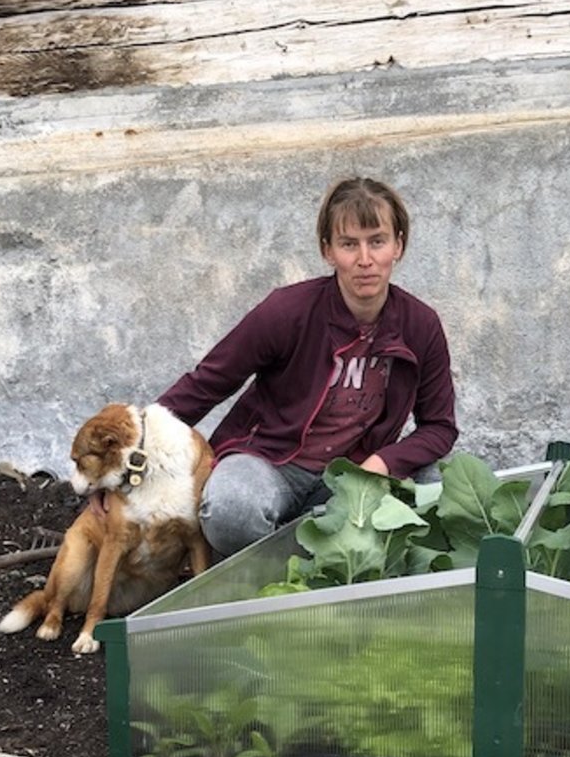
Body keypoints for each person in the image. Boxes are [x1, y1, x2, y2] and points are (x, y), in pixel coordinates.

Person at [157, 176, 458, 557]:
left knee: (442, 485)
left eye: (377, 241)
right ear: (327, 250)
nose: (365, 259)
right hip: (270, 463)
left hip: (354, 475)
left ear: (398, 245)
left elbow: (439, 427)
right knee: (231, 510)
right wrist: (131, 460)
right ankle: (316, 561)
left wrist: (383, 462)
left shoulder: (420, 325)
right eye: (349, 244)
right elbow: (205, 384)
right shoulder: (287, 311)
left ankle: (291, 553)